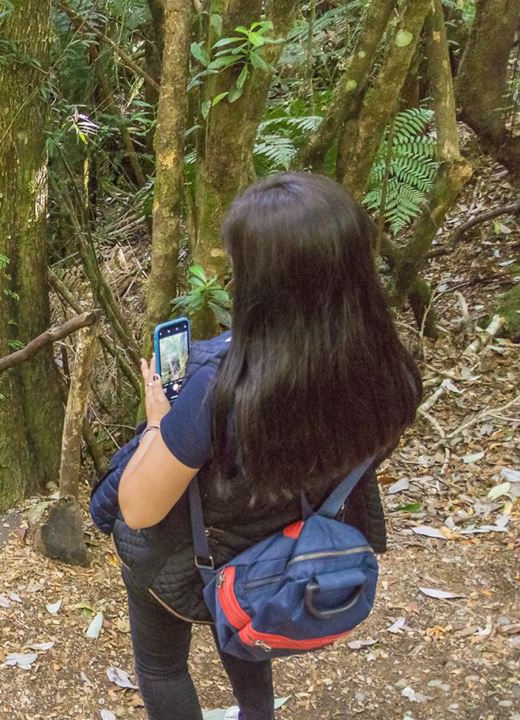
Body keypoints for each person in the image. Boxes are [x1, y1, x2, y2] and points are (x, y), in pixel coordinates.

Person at [113, 173, 421, 719]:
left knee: (162, 667)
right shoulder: (387, 375)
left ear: (265, 283)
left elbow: (139, 508)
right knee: (248, 629)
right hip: (278, 559)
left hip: (192, 564)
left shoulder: (218, 391)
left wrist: (160, 421)